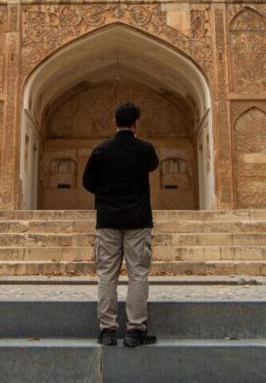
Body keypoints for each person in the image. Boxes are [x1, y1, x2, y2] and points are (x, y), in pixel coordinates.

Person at [82, 102, 160, 348]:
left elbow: (87, 182)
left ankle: (107, 330)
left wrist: (106, 193)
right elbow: (153, 165)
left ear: (114, 122)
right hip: (138, 220)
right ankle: (135, 330)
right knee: (138, 274)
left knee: (107, 275)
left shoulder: (101, 150)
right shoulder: (145, 149)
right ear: (136, 124)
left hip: (108, 220)